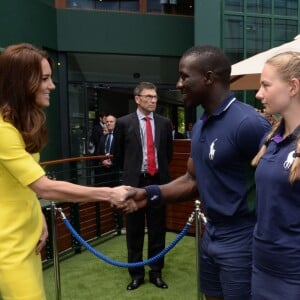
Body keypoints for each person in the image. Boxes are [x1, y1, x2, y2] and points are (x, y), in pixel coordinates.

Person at [122, 45, 271, 299]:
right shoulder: (201, 126)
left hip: (242, 239)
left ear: (209, 78)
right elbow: (193, 179)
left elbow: (276, 184)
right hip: (210, 234)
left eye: (184, 76)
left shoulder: (249, 124)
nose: (179, 84)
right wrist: (148, 194)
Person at [0, 43, 130, 300]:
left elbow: (22, 185)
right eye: (45, 79)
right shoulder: (4, 131)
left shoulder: (19, 124)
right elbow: (44, 186)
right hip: (8, 245)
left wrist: (39, 221)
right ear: (22, 82)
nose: (52, 86)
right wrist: (109, 193)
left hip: (28, 237)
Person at [113, 82, 173, 291]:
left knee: (158, 230)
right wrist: (132, 173)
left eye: (155, 97)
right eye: (148, 96)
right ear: (137, 99)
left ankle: (156, 273)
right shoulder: (123, 123)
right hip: (134, 183)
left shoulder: (165, 123)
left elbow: (168, 154)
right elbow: (118, 156)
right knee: (134, 231)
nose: (153, 100)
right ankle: (136, 274)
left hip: (158, 182)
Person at [251, 51, 300, 300]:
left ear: (293, 87)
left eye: (266, 85)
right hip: (261, 267)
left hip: (293, 276)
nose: (259, 94)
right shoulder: (269, 140)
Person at [95, 114, 118, 186]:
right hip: (104, 171)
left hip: (116, 171)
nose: (109, 123)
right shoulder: (103, 137)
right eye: (107, 122)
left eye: (111, 121)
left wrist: (112, 161)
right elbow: (98, 152)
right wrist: (103, 161)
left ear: (116, 123)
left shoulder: (120, 137)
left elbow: (123, 152)